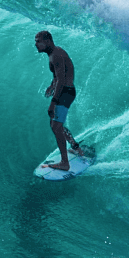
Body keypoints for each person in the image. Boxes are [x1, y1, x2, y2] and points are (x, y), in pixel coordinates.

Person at [35, 30, 86, 171]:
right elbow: (58, 76)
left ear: (47, 41)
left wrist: (53, 102)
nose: (36, 44)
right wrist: (52, 86)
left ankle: (65, 163)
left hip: (65, 92)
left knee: (56, 127)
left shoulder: (56, 55)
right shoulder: (55, 53)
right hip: (66, 91)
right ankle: (75, 147)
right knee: (56, 125)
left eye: (38, 41)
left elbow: (62, 80)